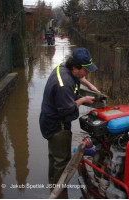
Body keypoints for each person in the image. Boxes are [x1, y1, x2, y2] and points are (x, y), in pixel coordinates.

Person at [39, 47, 100, 185]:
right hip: (57, 126)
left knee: (54, 156)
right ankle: (59, 191)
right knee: (62, 161)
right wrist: (83, 100)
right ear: (75, 68)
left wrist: (90, 86)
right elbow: (67, 110)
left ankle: (52, 180)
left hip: (47, 119)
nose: (88, 73)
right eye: (86, 70)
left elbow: (81, 77)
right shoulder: (65, 84)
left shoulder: (63, 67)